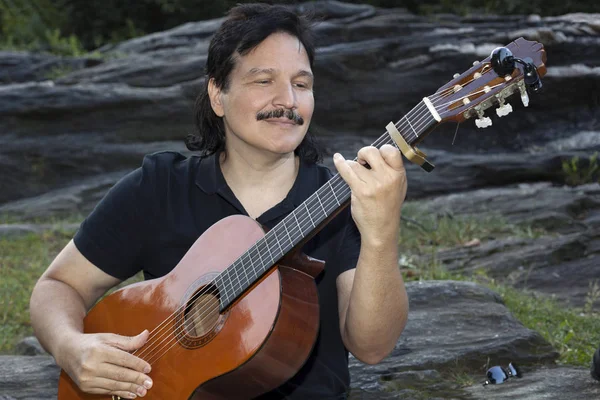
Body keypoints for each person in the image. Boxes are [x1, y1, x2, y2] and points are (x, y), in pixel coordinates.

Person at [29, 3, 409, 399]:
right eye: (263, 81)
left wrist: (380, 233)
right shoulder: (160, 188)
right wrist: (71, 347)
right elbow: (57, 286)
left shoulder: (342, 199)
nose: (288, 100)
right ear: (217, 95)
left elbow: (372, 346)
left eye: (302, 84)